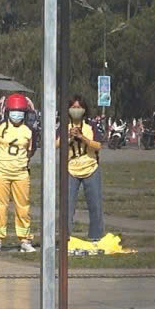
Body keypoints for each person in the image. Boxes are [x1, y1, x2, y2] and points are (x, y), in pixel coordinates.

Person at [0, 92, 36, 253]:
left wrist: (22, 161)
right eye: (14, 111)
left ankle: (25, 239)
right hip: (0, 172)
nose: (17, 114)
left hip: (21, 173)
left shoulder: (29, 131)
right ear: (7, 111)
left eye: (20, 111)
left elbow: (31, 150)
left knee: (23, 207)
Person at [62, 94, 104, 244]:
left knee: (95, 205)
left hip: (90, 168)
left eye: (79, 107)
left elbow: (98, 145)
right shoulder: (64, 126)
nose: (76, 110)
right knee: (67, 206)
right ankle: (65, 237)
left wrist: (83, 138)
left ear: (84, 110)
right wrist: (69, 137)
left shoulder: (91, 126)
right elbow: (55, 145)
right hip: (70, 169)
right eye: (73, 107)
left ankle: (96, 236)